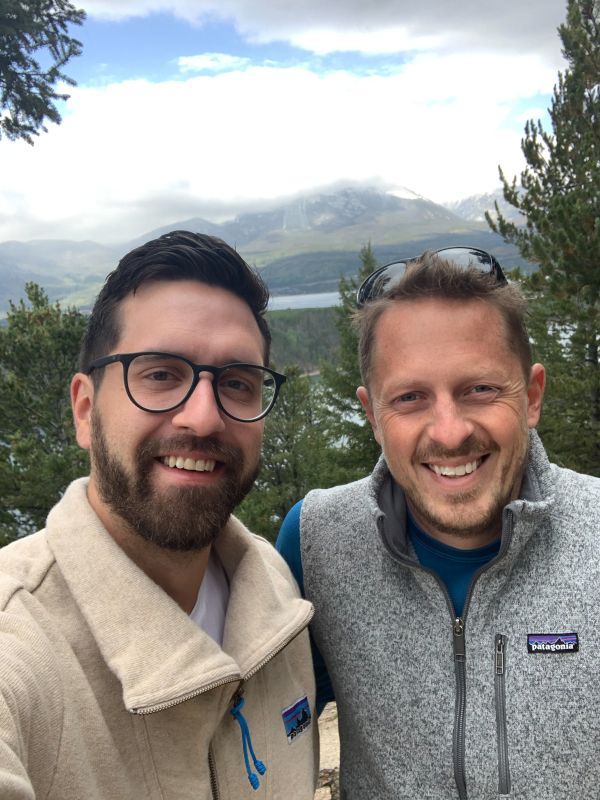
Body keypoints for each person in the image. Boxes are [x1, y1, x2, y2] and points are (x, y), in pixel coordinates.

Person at [0, 231, 318, 799]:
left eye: (238, 383)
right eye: (160, 374)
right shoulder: (18, 651)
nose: (203, 418)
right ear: (84, 408)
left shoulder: (274, 590)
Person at [277, 246, 600, 799]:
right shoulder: (315, 542)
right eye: (410, 398)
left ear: (532, 397)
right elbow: (270, 728)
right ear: (373, 417)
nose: (448, 433)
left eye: (479, 389)